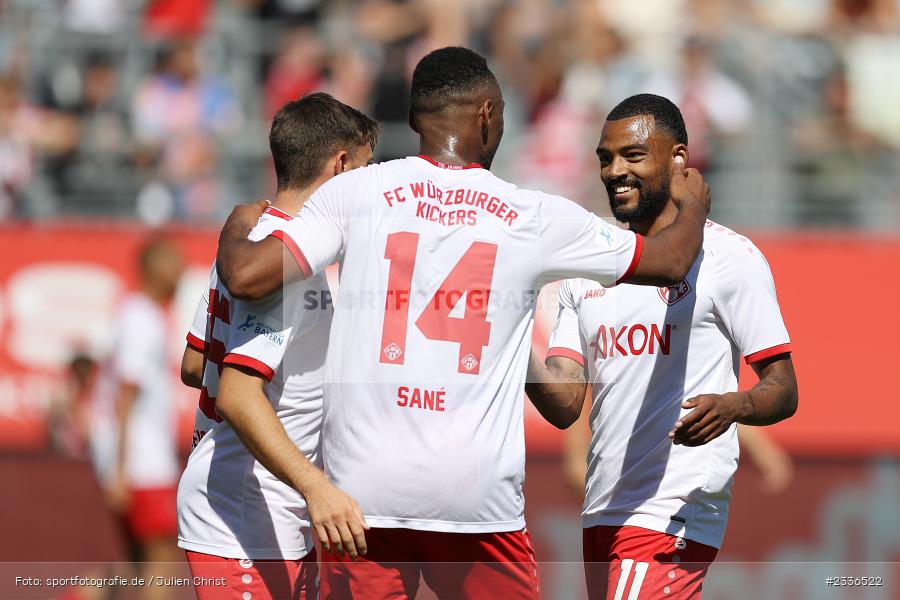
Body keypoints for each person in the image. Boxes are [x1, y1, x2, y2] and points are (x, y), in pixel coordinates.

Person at [214, 47, 710, 600]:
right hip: (476, 502)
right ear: (488, 115)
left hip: (361, 496)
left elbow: (246, 276)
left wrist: (237, 227)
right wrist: (692, 203)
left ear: (414, 120)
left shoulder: (354, 192)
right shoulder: (533, 215)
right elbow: (669, 261)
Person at [526, 93, 799, 600]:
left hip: (673, 507)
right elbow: (565, 404)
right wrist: (513, 341)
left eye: (632, 156)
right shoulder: (589, 264)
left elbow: (783, 388)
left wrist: (736, 405)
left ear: (678, 159)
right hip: (603, 509)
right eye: (605, 158)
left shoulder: (729, 257)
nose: (614, 171)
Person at [177, 92, 378, 600]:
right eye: (365, 171)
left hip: (252, 511)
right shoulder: (285, 268)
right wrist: (317, 488)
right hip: (248, 520)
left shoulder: (251, 247)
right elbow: (238, 397)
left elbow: (194, 363)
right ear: (341, 165)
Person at [90, 238, 184, 600]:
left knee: (137, 567)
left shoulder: (138, 314)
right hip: (143, 464)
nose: (179, 269)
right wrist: (119, 467)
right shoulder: (142, 318)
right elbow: (124, 394)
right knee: (161, 564)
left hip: (134, 460)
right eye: (172, 261)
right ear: (153, 268)